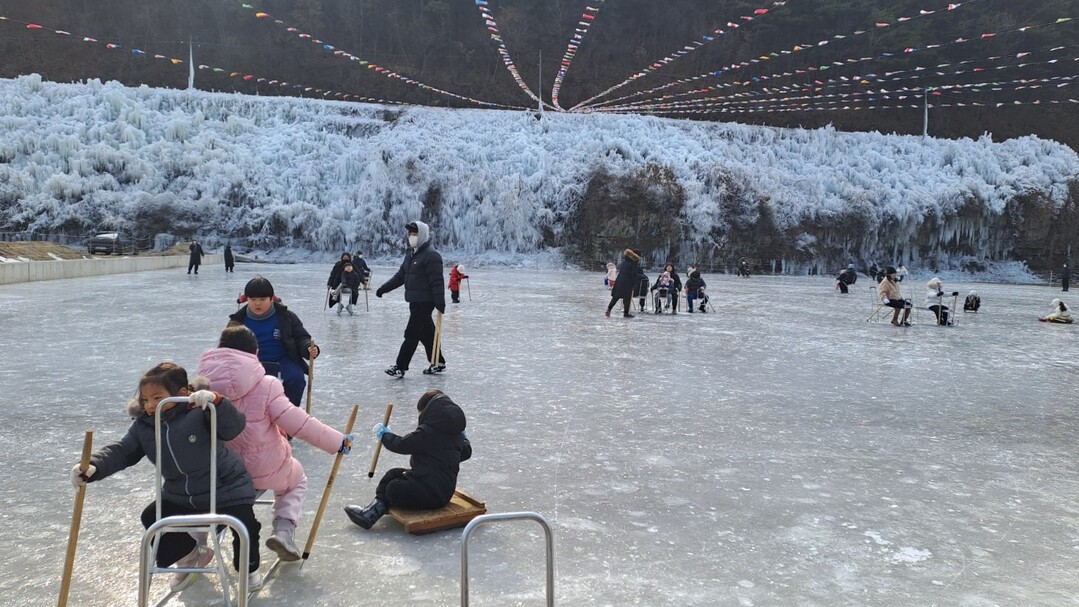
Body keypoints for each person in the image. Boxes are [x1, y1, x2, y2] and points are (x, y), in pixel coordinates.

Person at [69, 362, 262, 590]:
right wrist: (93, 466)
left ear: (181, 394)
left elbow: (234, 427)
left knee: (245, 525)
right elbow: (123, 451)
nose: (150, 405)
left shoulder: (201, 412)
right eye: (145, 399)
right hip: (179, 494)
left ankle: (248, 570)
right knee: (152, 518)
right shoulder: (144, 426)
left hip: (225, 488)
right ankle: (192, 556)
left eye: (157, 398)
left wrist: (216, 402)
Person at [197, 325, 353, 562]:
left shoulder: (201, 387)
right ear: (255, 353)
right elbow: (299, 424)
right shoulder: (266, 385)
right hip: (262, 471)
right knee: (296, 479)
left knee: (197, 491)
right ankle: (283, 531)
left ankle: (196, 544)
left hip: (216, 473)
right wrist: (338, 441)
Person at [344, 389, 471, 530]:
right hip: (441, 488)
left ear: (429, 412)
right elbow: (466, 453)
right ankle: (372, 512)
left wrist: (385, 435)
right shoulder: (455, 435)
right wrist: (463, 439)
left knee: (393, 488)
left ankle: (373, 511)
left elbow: (402, 445)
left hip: (432, 493)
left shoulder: (427, 433)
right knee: (393, 474)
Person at [229, 276, 319, 406]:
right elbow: (226, 347)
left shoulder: (286, 316)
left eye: (262, 299)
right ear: (246, 299)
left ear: (271, 299)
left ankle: (288, 413)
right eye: (253, 299)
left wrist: (307, 348)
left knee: (296, 378)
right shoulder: (237, 321)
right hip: (249, 363)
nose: (257, 303)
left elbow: (301, 337)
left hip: (282, 360)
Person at [377, 220, 446, 378]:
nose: (412, 236)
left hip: (425, 302)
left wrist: (440, 302)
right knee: (426, 333)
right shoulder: (410, 253)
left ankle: (401, 366)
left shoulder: (431, 255)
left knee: (411, 334)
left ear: (422, 235)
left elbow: (437, 281)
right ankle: (439, 362)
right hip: (414, 301)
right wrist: (384, 288)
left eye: (415, 234)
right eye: (410, 233)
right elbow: (401, 275)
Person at [605, 249, 641, 318]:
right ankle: (626, 313)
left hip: (619, 280)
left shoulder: (625, 261)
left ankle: (609, 309)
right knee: (627, 298)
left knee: (616, 297)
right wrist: (634, 283)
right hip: (628, 281)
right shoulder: (634, 263)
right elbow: (633, 274)